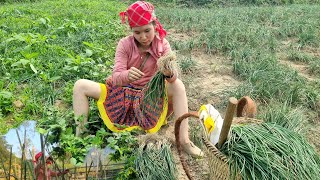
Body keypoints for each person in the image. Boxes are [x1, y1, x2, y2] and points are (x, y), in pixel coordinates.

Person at [73, 1, 202, 156]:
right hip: (123, 95)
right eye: (137, 32)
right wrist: (126, 76)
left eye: (147, 30)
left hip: (150, 97)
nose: (143, 37)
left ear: (155, 25)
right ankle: (80, 136)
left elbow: (173, 79)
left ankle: (184, 141)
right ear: (131, 31)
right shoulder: (125, 44)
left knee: (179, 85)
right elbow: (116, 76)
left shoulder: (162, 45)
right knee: (80, 85)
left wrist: (169, 73)